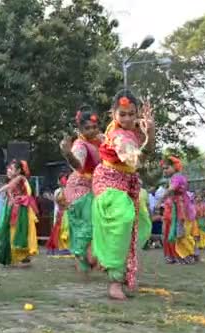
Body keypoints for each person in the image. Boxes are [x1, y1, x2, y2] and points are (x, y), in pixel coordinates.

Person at [91, 89, 155, 300]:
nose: (127, 119)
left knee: (140, 223)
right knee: (122, 218)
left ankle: (113, 261)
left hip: (128, 182)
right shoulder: (119, 135)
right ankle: (114, 282)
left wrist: (147, 129)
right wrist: (150, 135)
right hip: (108, 180)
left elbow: (141, 140)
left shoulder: (133, 127)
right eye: (122, 114)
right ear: (113, 114)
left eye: (132, 114)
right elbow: (135, 161)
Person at [59, 105, 103, 272]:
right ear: (80, 129)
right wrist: (68, 154)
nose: (92, 130)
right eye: (87, 128)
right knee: (86, 225)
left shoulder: (100, 140)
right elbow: (79, 165)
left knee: (95, 224)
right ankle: (83, 259)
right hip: (80, 188)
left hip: (97, 186)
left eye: (94, 127)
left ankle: (90, 259)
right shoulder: (80, 145)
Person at [0, 159, 39, 267]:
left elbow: (10, 186)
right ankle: (16, 256)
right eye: (8, 168)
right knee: (9, 231)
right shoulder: (14, 180)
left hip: (19, 209)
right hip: (11, 208)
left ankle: (20, 256)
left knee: (16, 231)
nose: (8, 170)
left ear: (18, 171)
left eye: (11, 169)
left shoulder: (20, 178)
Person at [156, 156, 197, 264]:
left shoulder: (176, 177)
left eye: (166, 168)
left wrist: (160, 201)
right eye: (163, 169)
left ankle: (190, 255)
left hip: (182, 209)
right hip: (179, 208)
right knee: (180, 233)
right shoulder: (176, 177)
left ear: (174, 167)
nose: (164, 170)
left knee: (181, 233)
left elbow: (171, 189)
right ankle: (186, 255)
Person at [45, 176, 71, 255]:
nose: (58, 182)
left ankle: (66, 247)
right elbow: (57, 203)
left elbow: (66, 202)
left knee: (64, 229)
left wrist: (52, 198)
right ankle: (61, 247)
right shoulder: (58, 191)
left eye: (60, 180)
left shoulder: (69, 191)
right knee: (58, 229)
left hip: (66, 213)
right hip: (60, 213)